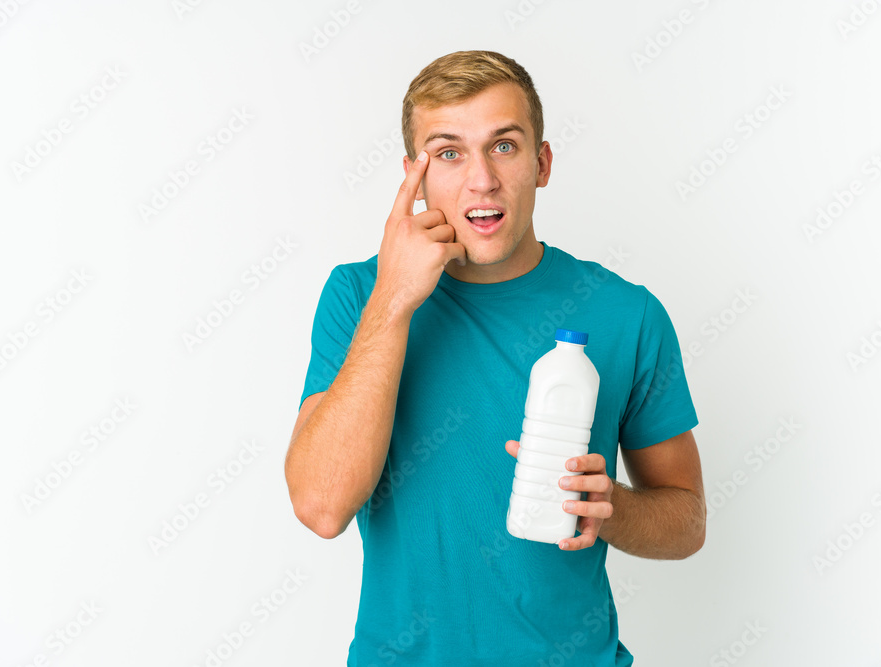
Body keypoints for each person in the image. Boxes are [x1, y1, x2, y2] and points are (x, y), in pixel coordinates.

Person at [285, 50, 705, 666]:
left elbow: (686, 521)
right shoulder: (358, 296)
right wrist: (395, 301)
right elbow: (321, 507)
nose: (481, 179)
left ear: (542, 162)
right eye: (449, 153)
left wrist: (611, 506)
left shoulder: (626, 314)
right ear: (414, 176)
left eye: (504, 146)